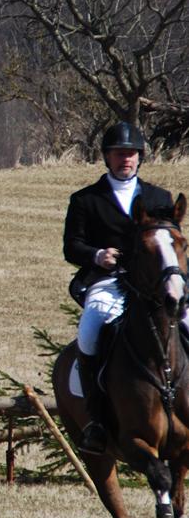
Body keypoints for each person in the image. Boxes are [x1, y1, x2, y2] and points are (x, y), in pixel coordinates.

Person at [64, 121, 174, 455]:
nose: (125, 159)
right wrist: (97, 254)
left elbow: (170, 241)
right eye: (118, 153)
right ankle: (97, 418)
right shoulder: (86, 200)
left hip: (154, 282)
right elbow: (72, 247)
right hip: (110, 280)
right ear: (107, 158)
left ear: (140, 157)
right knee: (90, 327)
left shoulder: (159, 197)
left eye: (131, 153)